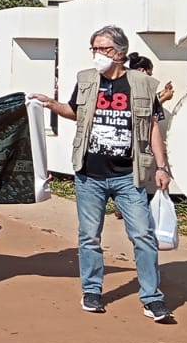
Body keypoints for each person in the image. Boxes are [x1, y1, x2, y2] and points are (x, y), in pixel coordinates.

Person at [30, 25, 175, 322]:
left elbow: (151, 128)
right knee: (89, 237)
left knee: (143, 237)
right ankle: (92, 289)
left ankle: (151, 297)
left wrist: (162, 167)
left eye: (104, 49)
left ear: (120, 53)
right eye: (94, 49)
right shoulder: (86, 79)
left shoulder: (143, 84)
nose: (98, 55)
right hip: (89, 174)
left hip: (128, 176)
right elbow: (75, 112)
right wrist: (51, 104)